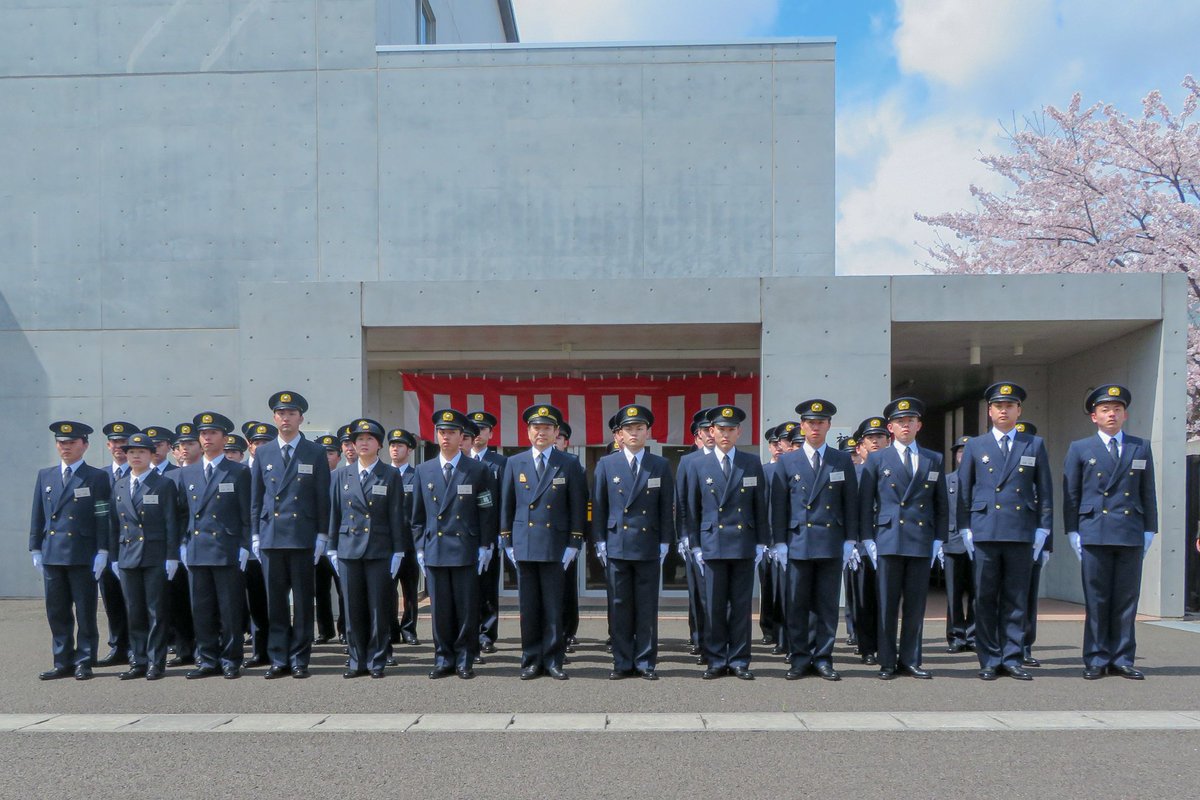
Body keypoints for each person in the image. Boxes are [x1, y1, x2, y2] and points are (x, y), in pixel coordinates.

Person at [956, 382, 1053, 681]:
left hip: (1020, 530)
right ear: (989, 411)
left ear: (1019, 410)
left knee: (1015, 598)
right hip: (985, 529)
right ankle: (988, 658)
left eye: (1010, 406)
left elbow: (1046, 491)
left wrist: (1043, 529)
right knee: (984, 598)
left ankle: (1012, 657)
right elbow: (964, 490)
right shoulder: (976, 445)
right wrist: (964, 528)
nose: (1004, 410)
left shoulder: (1032, 444)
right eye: (998, 406)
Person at [1063, 384, 1158, 680]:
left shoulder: (1139, 446)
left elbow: (1148, 491)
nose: (1111, 414)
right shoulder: (1080, 448)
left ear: (1125, 414)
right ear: (1094, 417)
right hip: (1095, 531)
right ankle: (1095, 657)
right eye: (1105, 410)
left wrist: (1150, 528)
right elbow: (1072, 494)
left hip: (1130, 531)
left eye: (1117, 409)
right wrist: (1072, 531)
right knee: (1097, 599)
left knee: (1127, 599)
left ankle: (1122, 657)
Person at [857, 397, 947, 679]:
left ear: (919, 425)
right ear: (890, 427)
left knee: (915, 605)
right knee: (887, 603)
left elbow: (940, 503)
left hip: (920, 538)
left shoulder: (934, 459)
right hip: (889, 537)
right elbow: (865, 503)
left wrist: (938, 539)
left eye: (910, 421)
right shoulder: (877, 459)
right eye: (899, 421)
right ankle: (886, 661)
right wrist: (868, 539)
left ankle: (911, 659)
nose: (905, 425)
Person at [771, 400, 859, 681]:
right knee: (797, 603)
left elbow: (850, 503)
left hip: (830, 540)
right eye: (810, 423)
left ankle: (823, 657)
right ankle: (799, 658)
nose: (815, 427)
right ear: (802, 426)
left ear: (829, 426)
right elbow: (779, 504)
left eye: (821, 422)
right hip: (798, 540)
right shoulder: (787, 461)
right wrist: (779, 542)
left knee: (826, 604)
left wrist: (850, 540)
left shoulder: (841, 459)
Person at [499, 404, 587, 680]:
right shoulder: (515, 462)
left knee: (553, 606)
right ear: (528, 432)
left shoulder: (569, 463)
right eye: (536, 428)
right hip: (525, 543)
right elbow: (507, 504)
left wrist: (574, 542)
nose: (541, 432)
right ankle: (531, 659)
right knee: (529, 607)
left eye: (547, 428)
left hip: (555, 545)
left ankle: (553, 659)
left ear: (556, 432)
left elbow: (578, 505)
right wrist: (507, 540)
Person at [249, 391, 332, 679]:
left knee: (303, 601)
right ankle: (278, 657)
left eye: (291, 414)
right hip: (271, 535)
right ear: (274, 418)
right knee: (276, 602)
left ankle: (300, 658)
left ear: (301, 418)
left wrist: (323, 535)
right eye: (281, 413)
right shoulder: (264, 452)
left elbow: (323, 497)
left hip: (302, 535)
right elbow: (256, 498)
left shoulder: (315, 452)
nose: (286, 418)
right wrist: (255, 535)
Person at [411, 409, 498, 679]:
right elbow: (417, 515)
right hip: (436, 548)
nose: (446, 437)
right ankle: (443, 657)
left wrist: (486, 545)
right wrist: (419, 548)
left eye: (451, 432)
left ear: (462, 437)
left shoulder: (477, 469)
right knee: (440, 609)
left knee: (466, 607)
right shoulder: (424, 470)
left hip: (465, 547)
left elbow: (486, 509)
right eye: (441, 432)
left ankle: (465, 657)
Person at [684, 405, 769, 680]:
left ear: (739, 432)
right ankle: (716, 658)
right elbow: (691, 508)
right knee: (714, 605)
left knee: (742, 605)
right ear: (711, 431)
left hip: (743, 541)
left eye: (731, 430)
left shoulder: (751, 462)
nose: (726, 434)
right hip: (712, 542)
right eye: (721, 429)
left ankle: (741, 659)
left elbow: (760, 504)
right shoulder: (697, 463)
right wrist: (694, 544)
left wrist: (761, 542)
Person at [592, 404, 674, 680]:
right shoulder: (606, 464)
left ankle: (645, 662)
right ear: (619, 435)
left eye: (640, 428)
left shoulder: (659, 465)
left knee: (647, 606)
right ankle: (622, 661)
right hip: (617, 543)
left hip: (648, 543)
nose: (635, 433)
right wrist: (600, 540)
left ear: (648, 432)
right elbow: (599, 506)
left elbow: (666, 507)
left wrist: (665, 540)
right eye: (629, 429)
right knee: (619, 605)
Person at [328, 419, 409, 678]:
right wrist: (331, 547)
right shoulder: (341, 475)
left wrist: (398, 550)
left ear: (379, 445)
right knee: (352, 608)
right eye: (359, 439)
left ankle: (376, 660)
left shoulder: (390, 474)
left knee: (378, 607)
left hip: (378, 548)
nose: (363, 443)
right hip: (348, 548)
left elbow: (397, 513)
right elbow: (335, 512)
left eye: (369, 439)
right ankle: (356, 660)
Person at [30, 421, 111, 680]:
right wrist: (35, 547)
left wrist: (103, 549)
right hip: (53, 551)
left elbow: (102, 514)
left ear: (84, 445)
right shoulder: (46, 475)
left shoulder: (96, 476)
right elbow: (38, 514)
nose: (65, 447)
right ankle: (62, 660)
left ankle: (85, 660)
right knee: (57, 611)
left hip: (82, 552)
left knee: (85, 610)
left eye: (72, 443)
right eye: (61, 443)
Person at [176, 412, 251, 679]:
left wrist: (245, 545)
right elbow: (182, 513)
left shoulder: (239, 471)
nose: (207, 438)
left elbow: (247, 512)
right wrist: (182, 544)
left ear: (224, 438)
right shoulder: (187, 473)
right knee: (202, 608)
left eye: (213, 433)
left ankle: (231, 659)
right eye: (204, 434)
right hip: (197, 548)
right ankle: (207, 658)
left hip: (227, 548)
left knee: (229, 608)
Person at [108, 432, 179, 680]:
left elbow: (172, 522)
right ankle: (137, 660)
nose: (135, 456)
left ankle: (155, 661)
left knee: (156, 611)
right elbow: (114, 524)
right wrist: (114, 557)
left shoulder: (163, 484)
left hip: (155, 555)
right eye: (131, 452)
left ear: (151, 455)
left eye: (141, 452)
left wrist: (172, 556)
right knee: (134, 611)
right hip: (127, 555)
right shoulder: (119, 484)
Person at [846, 416, 889, 665]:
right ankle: (867, 647)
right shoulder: (855, 472)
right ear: (862, 443)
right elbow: (850, 508)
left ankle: (885, 644)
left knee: (888, 598)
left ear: (887, 439)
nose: (875, 441)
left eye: (880, 437)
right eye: (870, 438)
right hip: (864, 544)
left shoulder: (896, 465)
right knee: (864, 598)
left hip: (891, 541)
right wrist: (851, 541)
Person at [97, 421, 137, 667]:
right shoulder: (99, 476)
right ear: (108, 445)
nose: (119, 448)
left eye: (124, 443)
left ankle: (136, 647)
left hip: (134, 547)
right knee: (111, 600)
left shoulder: (141, 473)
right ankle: (117, 647)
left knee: (134, 601)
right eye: (115, 443)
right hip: (106, 548)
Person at [676, 409, 715, 661]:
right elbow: (681, 503)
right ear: (698, 435)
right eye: (705, 431)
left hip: (725, 538)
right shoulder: (689, 462)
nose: (710, 436)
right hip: (697, 538)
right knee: (700, 595)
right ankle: (700, 640)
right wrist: (684, 536)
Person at [1013, 421, 1052, 666]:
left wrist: (1048, 544)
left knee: (1028, 596)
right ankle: (1003, 643)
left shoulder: (1037, 477)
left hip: (1033, 541)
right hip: (1009, 536)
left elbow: (1046, 510)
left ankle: (1025, 644)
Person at [469, 410, 507, 656]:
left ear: (491, 434)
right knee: (467, 587)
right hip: (465, 534)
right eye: (473, 429)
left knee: (488, 587)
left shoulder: (501, 463)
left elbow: (505, 501)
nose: (477, 434)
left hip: (491, 534)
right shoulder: (461, 459)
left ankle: (487, 634)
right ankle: (470, 632)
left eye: (482, 429)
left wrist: (503, 533)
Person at [241, 423, 277, 666]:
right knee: (254, 600)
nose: (260, 447)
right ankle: (259, 649)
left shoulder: (277, 467)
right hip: (247, 546)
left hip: (273, 541)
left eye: (266, 443)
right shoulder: (239, 471)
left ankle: (277, 647)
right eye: (257, 443)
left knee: (274, 599)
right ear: (249, 446)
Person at [941, 436, 976, 653]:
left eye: (967, 451)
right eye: (959, 451)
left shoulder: (982, 480)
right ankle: (955, 635)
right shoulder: (947, 481)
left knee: (977, 591)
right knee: (953, 592)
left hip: (977, 543)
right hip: (952, 542)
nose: (962, 455)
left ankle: (973, 635)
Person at [387, 428, 420, 647]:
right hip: (386, 543)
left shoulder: (417, 476)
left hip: (409, 543)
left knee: (410, 590)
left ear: (408, 450)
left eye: (400, 445)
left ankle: (409, 628)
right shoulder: (381, 474)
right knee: (388, 590)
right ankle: (390, 630)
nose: (395, 449)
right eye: (392, 445)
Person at [554, 420, 584, 652]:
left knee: (566, 589)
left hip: (565, 539)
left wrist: (577, 537)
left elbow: (580, 503)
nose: (555, 441)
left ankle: (568, 631)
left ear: (566, 442)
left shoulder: (573, 465)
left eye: (559, 438)